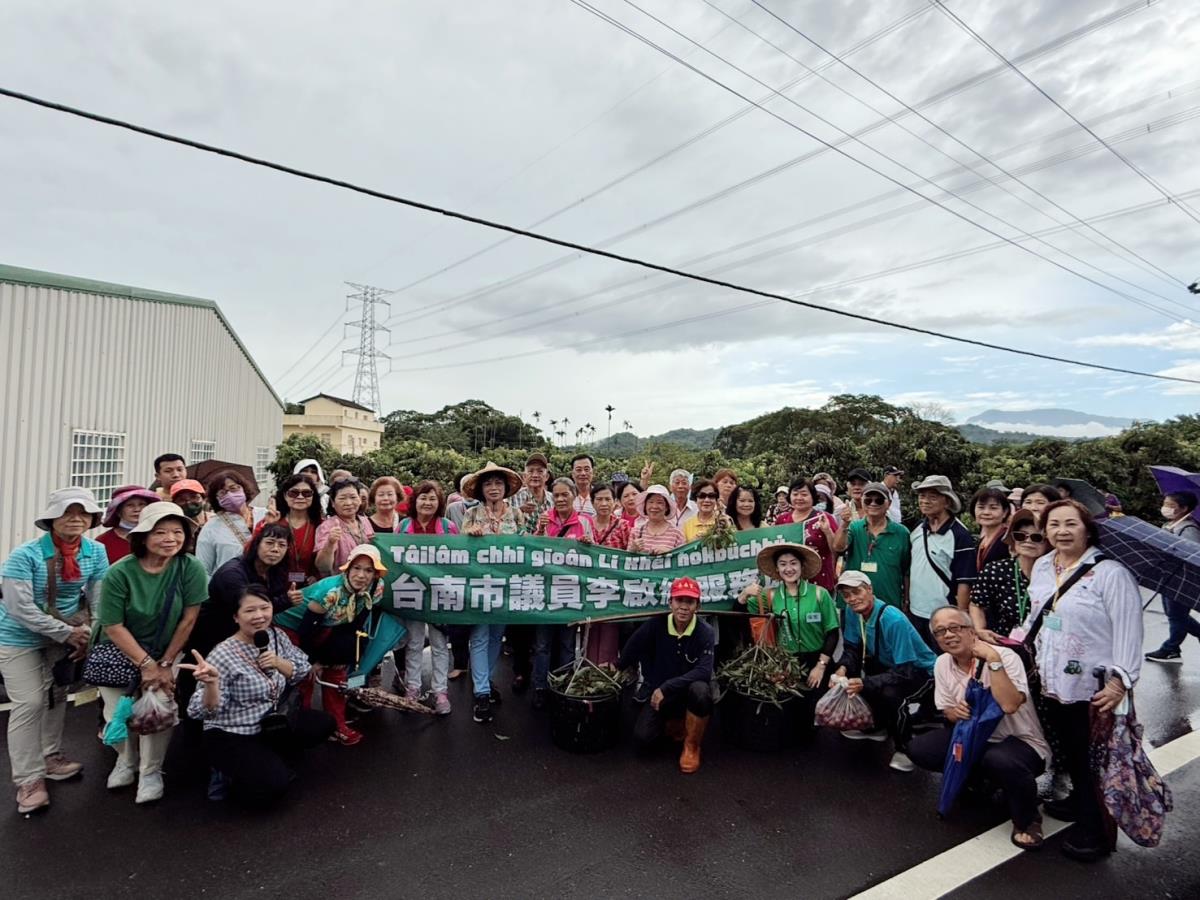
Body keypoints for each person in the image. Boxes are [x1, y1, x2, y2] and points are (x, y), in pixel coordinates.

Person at [1023, 499, 1143, 861]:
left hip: (1094, 688)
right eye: (1053, 524)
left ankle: (1097, 832)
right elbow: (1038, 615)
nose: (1061, 531)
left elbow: (1130, 630)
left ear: (1088, 530)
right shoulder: (1044, 565)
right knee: (1072, 752)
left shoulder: (1111, 574)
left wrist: (1120, 681)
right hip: (1052, 680)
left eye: (1070, 524)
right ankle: (1079, 802)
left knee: (1093, 760)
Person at [0, 487, 108, 814]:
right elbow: (19, 607)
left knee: (57, 695)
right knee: (29, 702)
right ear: (51, 518)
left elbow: (99, 597)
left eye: (83, 513)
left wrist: (90, 635)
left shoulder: (95, 551)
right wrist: (68, 633)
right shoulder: (25, 555)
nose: (76, 518)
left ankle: (50, 756)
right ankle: (28, 779)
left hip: (67, 635)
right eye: (67, 512)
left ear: (92, 519)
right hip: (18, 637)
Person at [907, 607, 1049, 850]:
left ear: (972, 631)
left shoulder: (1003, 656)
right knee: (920, 748)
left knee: (999, 760)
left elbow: (1010, 704)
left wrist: (993, 661)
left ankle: (1028, 819)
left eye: (955, 628)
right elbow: (947, 711)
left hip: (1019, 741)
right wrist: (956, 712)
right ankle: (980, 783)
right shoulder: (942, 663)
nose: (948, 635)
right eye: (940, 631)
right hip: (975, 738)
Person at [94, 501, 208, 804]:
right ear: (143, 536)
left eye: (177, 532)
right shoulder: (120, 572)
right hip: (119, 647)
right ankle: (125, 760)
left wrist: (166, 663)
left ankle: (151, 771)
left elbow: (189, 619)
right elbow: (113, 625)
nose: (170, 538)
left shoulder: (190, 567)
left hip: (167, 648)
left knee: (157, 705)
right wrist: (145, 664)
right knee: (116, 711)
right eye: (160, 532)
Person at [183, 586, 335, 806]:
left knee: (324, 724)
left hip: (270, 721)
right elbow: (201, 711)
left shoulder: (276, 636)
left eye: (265, 608)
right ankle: (224, 773)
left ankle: (267, 755)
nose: (259, 616)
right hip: (234, 732)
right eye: (250, 610)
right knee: (274, 786)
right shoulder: (222, 654)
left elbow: (302, 668)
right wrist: (211, 685)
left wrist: (279, 663)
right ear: (236, 617)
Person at [830, 571, 937, 773]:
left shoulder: (893, 619)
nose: (852, 599)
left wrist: (866, 683)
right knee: (864, 679)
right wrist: (842, 670)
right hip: (889, 664)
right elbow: (852, 648)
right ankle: (878, 727)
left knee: (891, 695)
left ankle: (905, 748)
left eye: (857, 592)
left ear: (870, 589)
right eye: (846, 595)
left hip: (922, 671)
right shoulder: (852, 612)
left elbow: (905, 671)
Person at [737, 543, 838, 736]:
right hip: (785, 663)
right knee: (789, 720)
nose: (788, 568)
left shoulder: (819, 594)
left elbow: (833, 632)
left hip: (816, 661)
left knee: (815, 720)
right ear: (777, 569)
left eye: (793, 563)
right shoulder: (770, 596)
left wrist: (821, 666)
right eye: (783, 564)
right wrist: (744, 594)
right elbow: (743, 616)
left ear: (802, 566)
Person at [615, 577, 714, 774]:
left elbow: (704, 671)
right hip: (659, 694)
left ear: (698, 606)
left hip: (683, 692)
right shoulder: (656, 624)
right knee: (643, 740)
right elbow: (633, 646)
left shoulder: (705, 631)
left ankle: (692, 746)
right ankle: (675, 723)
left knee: (701, 691)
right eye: (679, 600)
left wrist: (666, 687)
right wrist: (617, 666)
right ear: (670, 603)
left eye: (690, 602)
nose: (683, 607)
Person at [298, 545, 387, 746]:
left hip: (333, 627)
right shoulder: (331, 591)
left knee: (337, 674)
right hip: (298, 626)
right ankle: (301, 725)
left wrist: (342, 654)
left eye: (368, 570)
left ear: (376, 574)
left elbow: (357, 621)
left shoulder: (376, 587)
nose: (361, 575)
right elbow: (306, 630)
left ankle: (336, 724)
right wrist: (312, 660)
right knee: (305, 676)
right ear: (347, 568)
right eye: (356, 568)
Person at [460, 462, 526, 724]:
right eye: (488, 483)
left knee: (497, 635)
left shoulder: (517, 514)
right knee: (479, 636)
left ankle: (485, 681)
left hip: (507, 585)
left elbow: (526, 545)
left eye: (498, 483)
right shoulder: (471, 514)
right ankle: (482, 693)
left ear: (506, 487)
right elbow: (459, 548)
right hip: (479, 583)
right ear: (481, 489)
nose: (494, 488)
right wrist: (470, 535)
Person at [192, 523, 302, 659]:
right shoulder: (232, 574)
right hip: (212, 635)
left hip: (244, 635)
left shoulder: (276, 570)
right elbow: (250, 610)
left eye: (282, 545)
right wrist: (286, 600)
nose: (275, 549)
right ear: (256, 544)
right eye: (269, 543)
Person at [528, 478, 591, 709]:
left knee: (567, 644)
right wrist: (540, 530)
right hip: (545, 593)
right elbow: (533, 551)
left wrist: (587, 544)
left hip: (570, 592)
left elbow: (593, 557)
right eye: (557, 495)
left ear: (574, 495)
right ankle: (540, 688)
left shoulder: (584, 522)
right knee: (542, 644)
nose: (561, 499)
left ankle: (563, 686)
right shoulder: (545, 518)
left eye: (565, 494)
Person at [396, 482, 457, 715]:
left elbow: (459, 558)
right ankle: (412, 688)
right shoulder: (403, 526)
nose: (427, 503)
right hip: (412, 591)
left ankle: (440, 691)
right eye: (423, 498)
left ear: (439, 502)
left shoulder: (448, 527)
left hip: (440, 593)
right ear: (415, 501)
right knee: (414, 642)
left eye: (432, 498)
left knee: (440, 644)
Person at [908, 475, 976, 649]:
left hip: (945, 616)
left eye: (932, 497)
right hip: (916, 611)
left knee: (946, 658)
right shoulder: (918, 528)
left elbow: (964, 581)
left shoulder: (960, 535)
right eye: (922, 496)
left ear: (947, 502)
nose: (925, 501)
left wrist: (960, 618)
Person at [969, 509, 1048, 643]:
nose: (1028, 541)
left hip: (1045, 646)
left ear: (1048, 542)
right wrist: (980, 629)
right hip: (1002, 644)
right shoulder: (996, 569)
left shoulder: (1055, 574)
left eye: (1037, 537)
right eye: (1020, 536)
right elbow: (976, 603)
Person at [833, 481, 910, 608]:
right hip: (854, 602)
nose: (873, 504)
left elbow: (906, 571)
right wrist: (844, 524)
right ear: (862, 502)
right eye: (868, 500)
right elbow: (838, 547)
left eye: (879, 500)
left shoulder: (901, 533)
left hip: (888, 602)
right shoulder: (854, 527)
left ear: (889, 503)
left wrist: (907, 599)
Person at [1146, 490, 1200, 663]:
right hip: (1168, 576)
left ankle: (1170, 648)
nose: (1165, 508)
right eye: (1165, 504)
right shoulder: (1170, 525)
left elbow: (1194, 554)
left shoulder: (1188, 529)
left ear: (1184, 508)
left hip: (1182, 578)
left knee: (1177, 615)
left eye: (1171, 505)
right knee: (1173, 614)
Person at [195, 470, 267, 576]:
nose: (229, 495)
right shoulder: (211, 527)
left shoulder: (265, 515)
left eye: (233, 488)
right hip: (230, 583)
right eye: (222, 493)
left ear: (244, 489)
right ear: (216, 499)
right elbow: (203, 569)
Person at [774, 478, 840, 593]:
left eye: (804, 494)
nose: (799, 498)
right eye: (795, 494)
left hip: (820, 579)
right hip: (790, 580)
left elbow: (837, 549)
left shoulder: (824, 518)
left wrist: (827, 531)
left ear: (813, 496)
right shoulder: (782, 520)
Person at [260, 474, 323, 585]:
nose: (300, 497)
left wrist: (316, 576)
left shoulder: (321, 525)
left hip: (310, 586)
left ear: (313, 496)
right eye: (294, 493)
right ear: (285, 496)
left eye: (306, 493)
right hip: (274, 584)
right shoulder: (273, 520)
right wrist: (268, 526)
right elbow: (252, 551)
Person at [314, 478, 376, 575]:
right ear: (333, 503)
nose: (348, 503)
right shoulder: (327, 526)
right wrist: (330, 543)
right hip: (339, 581)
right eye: (342, 498)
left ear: (360, 499)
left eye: (353, 497)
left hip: (365, 579)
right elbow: (323, 567)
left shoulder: (365, 521)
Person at [96, 485, 159, 564]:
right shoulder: (102, 542)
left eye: (141, 504)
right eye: (130, 505)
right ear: (118, 512)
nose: (137, 509)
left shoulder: (159, 535)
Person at [628, 486, 686, 555]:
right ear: (645, 506)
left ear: (666, 507)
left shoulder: (677, 534)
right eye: (651, 502)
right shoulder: (636, 531)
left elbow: (683, 558)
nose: (654, 506)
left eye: (659, 502)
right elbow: (626, 558)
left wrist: (670, 552)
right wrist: (632, 550)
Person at [972, 485, 1013, 572]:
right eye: (981, 507)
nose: (986, 512)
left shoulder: (1008, 539)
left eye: (993, 508)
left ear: (1005, 512)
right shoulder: (981, 540)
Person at [512, 452, 553, 523]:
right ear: (524, 477)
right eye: (530, 471)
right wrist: (519, 511)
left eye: (540, 471)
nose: (535, 475)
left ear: (546, 477)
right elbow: (502, 519)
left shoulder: (553, 499)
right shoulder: (513, 496)